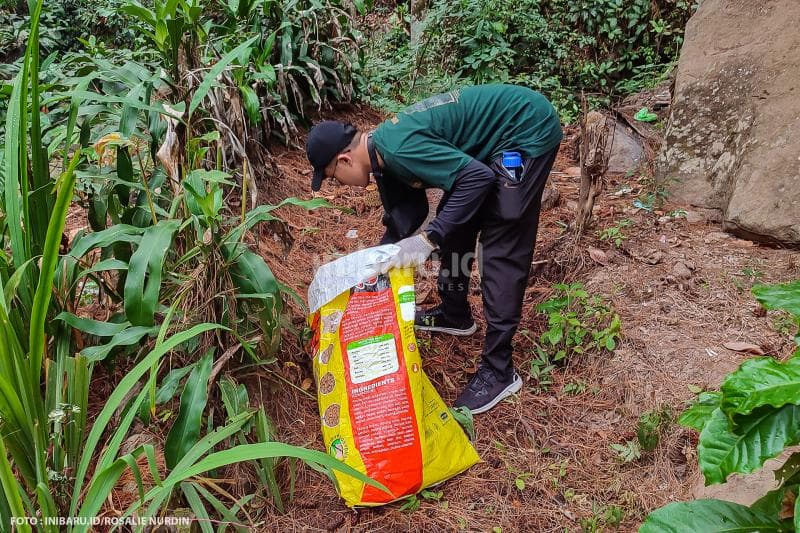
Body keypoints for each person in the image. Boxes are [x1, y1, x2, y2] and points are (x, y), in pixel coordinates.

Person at [305, 84, 562, 414]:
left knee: (502, 236)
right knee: (455, 220)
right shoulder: (382, 158)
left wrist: (428, 240)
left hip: (525, 127)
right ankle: (455, 314)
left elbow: (477, 179)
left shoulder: (398, 149)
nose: (339, 185)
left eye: (333, 177)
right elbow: (406, 217)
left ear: (344, 159)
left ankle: (500, 371)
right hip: (490, 144)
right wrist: (368, 269)